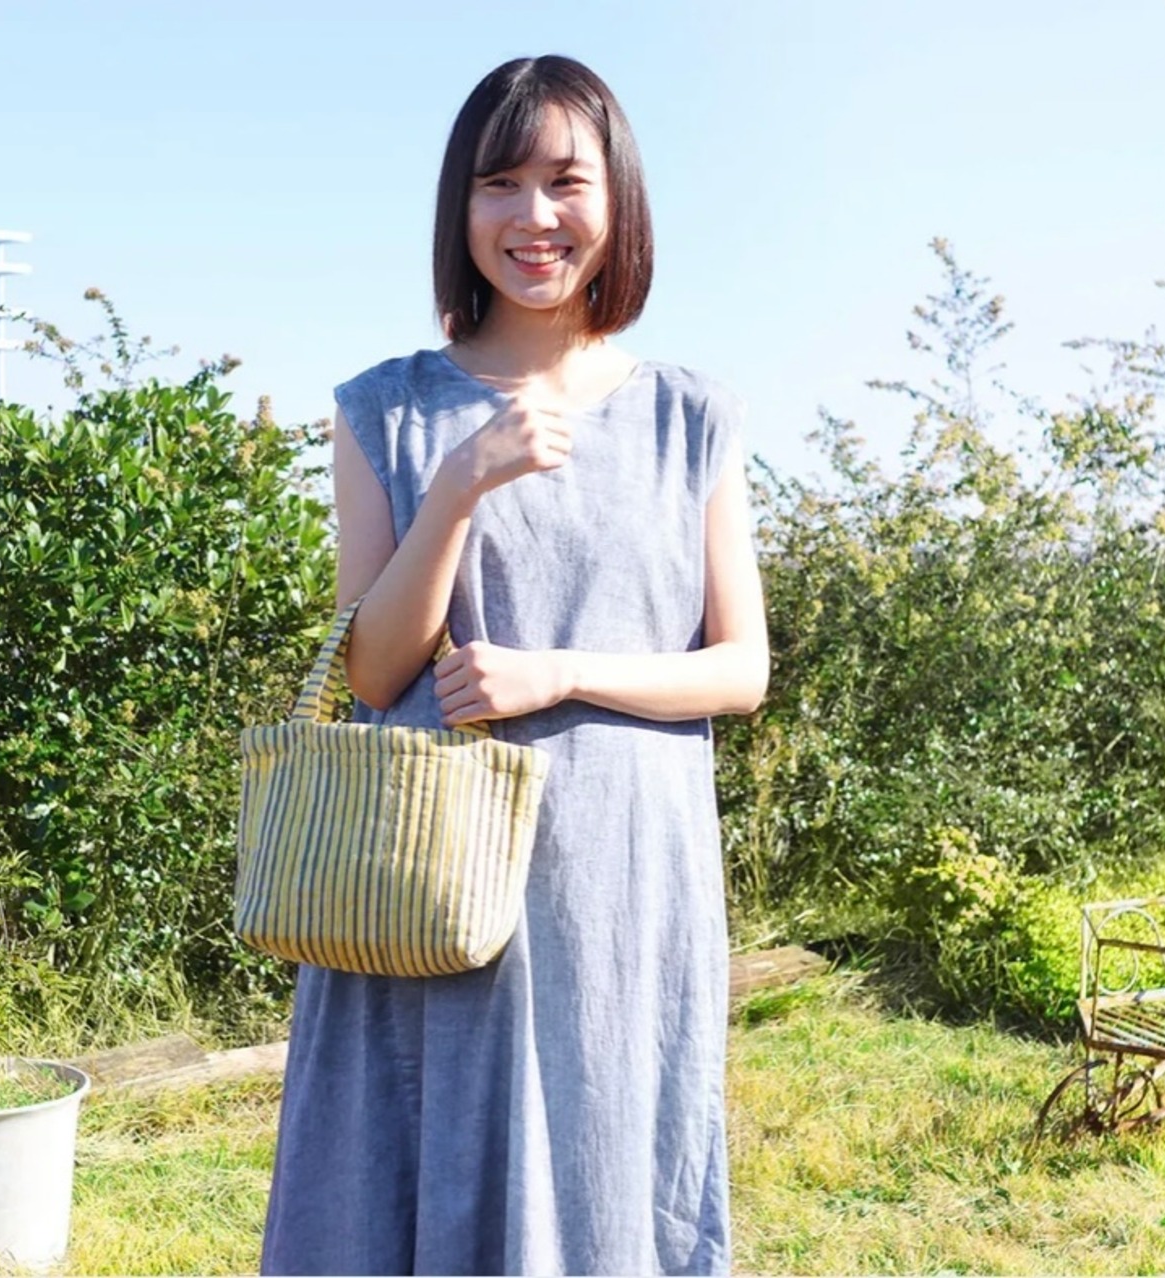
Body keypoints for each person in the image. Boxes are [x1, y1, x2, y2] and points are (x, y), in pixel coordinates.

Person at [260, 53, 770, 1278]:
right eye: (499, 184)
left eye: (564, 181)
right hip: (427, 874)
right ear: (460, 207)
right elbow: (374, 671)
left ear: (616, 198)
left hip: (618, 877)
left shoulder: (691, 414)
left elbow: (739, 668)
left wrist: (560, 674)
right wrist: (457, 484)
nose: (533, 216)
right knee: (412, 1167)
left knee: (606, 1175)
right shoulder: (383, 409)